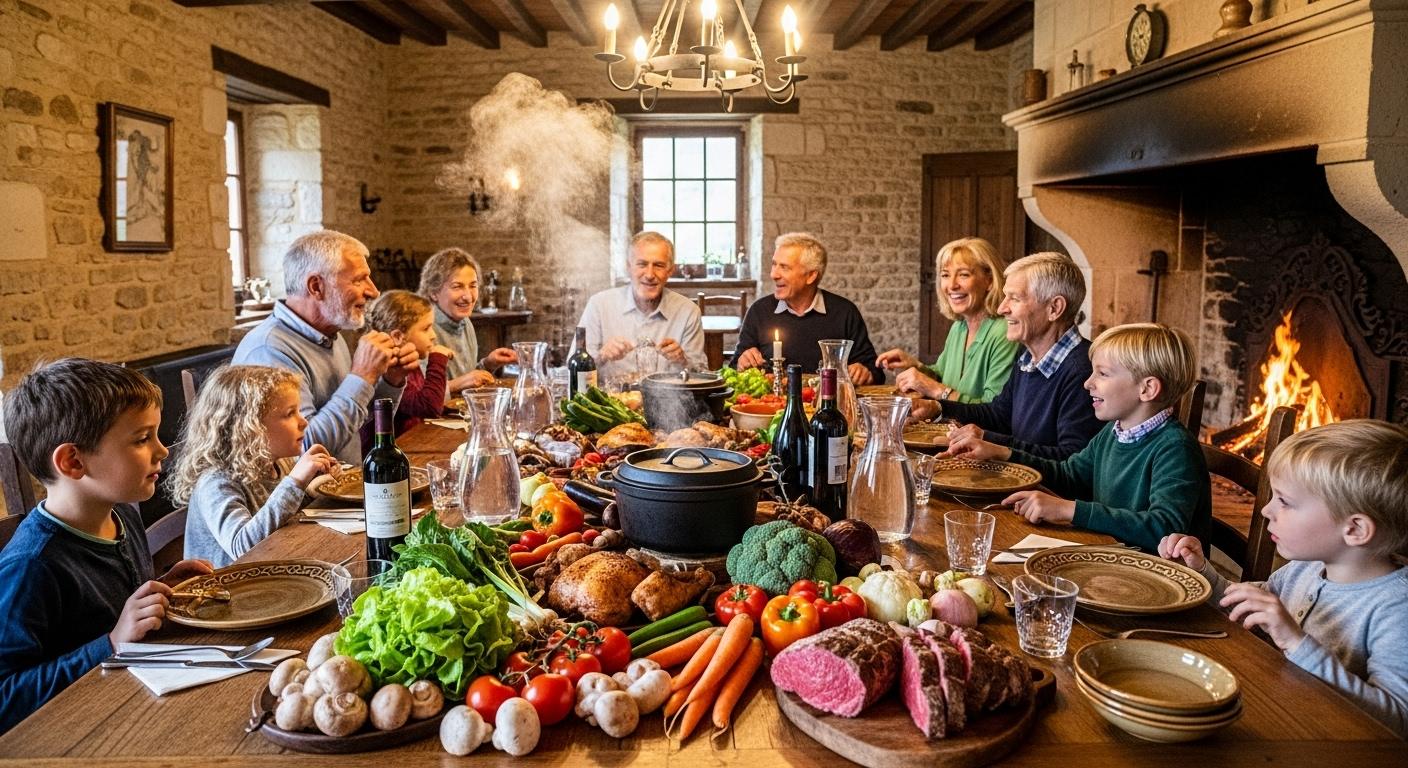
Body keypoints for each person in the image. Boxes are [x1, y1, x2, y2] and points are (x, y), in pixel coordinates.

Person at [0, 358, 213, 734]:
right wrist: (111, 643)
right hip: (84, 735)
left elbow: (111, 608)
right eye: (142, 438)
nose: (162, 451)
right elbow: (5, 697)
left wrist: (163, 588)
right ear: (73, 461)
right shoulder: (31, 566)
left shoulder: (121, 514)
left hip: (137, 707)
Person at [1160, 420, 1408, 738]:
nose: (1266, 511)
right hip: (1271, 709)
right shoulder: (1306, 568)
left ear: (1355, 529)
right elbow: (1248, 607)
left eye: (1285, 502)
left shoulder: (1395, 608)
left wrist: (1296, 642)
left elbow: (1397, 721)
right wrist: (1202, 572)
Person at [944, 323, 1210, 554]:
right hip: (1110, 558)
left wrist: (1069, 510)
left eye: (1103, 374)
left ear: (1147, 388)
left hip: (1154, 583)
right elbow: (1069, 475)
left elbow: (1164, 529)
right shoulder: (1113, 432)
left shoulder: (1175, 448)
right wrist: (1003, 453)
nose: (1088, 383)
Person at [233, 230, 417, 465]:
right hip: (307, 501)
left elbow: (355, 421)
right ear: (316, 286)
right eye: (359, 280)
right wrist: (362, 376)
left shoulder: (331, 335)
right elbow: (303, 451)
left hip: (346, 483)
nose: (373, 291)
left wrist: (391, 380)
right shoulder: (268, 350)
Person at [912, 252, 1102, 460]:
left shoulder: (1083, 369)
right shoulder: (1028, 356)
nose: (1002, 308)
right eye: (1005, 296)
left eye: (1015, 298)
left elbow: (1070, 460)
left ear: (1054, 308)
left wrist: (988, 438)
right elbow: (999, 415)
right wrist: (937, 407)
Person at [167, 366, 341, 569]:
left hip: (274, 571)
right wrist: (295, 483)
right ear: (250, 428)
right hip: (228, 591)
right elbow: (244, 548)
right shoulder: (216, 481)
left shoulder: (277, 461)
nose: (303, 422)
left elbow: (281, 519)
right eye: (289, 414)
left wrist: (312, 485)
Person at [877, 237, 1019, 403]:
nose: (952, 285)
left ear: (989, 280)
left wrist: (935, 389)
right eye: (945, 275)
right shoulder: (959, 327)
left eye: (964, 275)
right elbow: (943, 376)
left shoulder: (1004, 332)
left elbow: (993, 411)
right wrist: (914, 365)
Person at [733, 232, 883, 384]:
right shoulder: (759, 311)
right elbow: (733, 368)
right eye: (774, 264)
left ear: (811, 276)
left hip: (827, 405)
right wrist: (741, 363)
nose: (773, 274)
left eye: (784, 267)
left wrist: (865, 373)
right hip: (772, 404)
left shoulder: (845, 312)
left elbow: (875, 371)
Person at [577, 231, 706, 385]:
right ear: (629, 267)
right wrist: (601, 356)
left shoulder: (688, 311)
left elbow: (703, 377)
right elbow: (572, 371)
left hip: (668, 402)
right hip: (608, 404)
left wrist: (683, 361)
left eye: (658, 265)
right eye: (642, 264)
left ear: (670, 271)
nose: (650, 274)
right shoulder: (598, 305)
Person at [417, 247, 516, 395]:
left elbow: (466, 379)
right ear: (433, 292)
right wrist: (461, 383)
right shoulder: (421, 328)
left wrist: (488, 364)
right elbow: (419, 396)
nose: (468, 297)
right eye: (457, 287)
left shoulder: (465, 323)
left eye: (473, 286)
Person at [358, 291, 452, 446]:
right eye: (426, 329)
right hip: (387, 455)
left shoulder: (409, 364)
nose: (433, 335)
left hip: (412, 443)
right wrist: (437, 360)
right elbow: (429, 407)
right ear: (397, 337)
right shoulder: (390, 369)